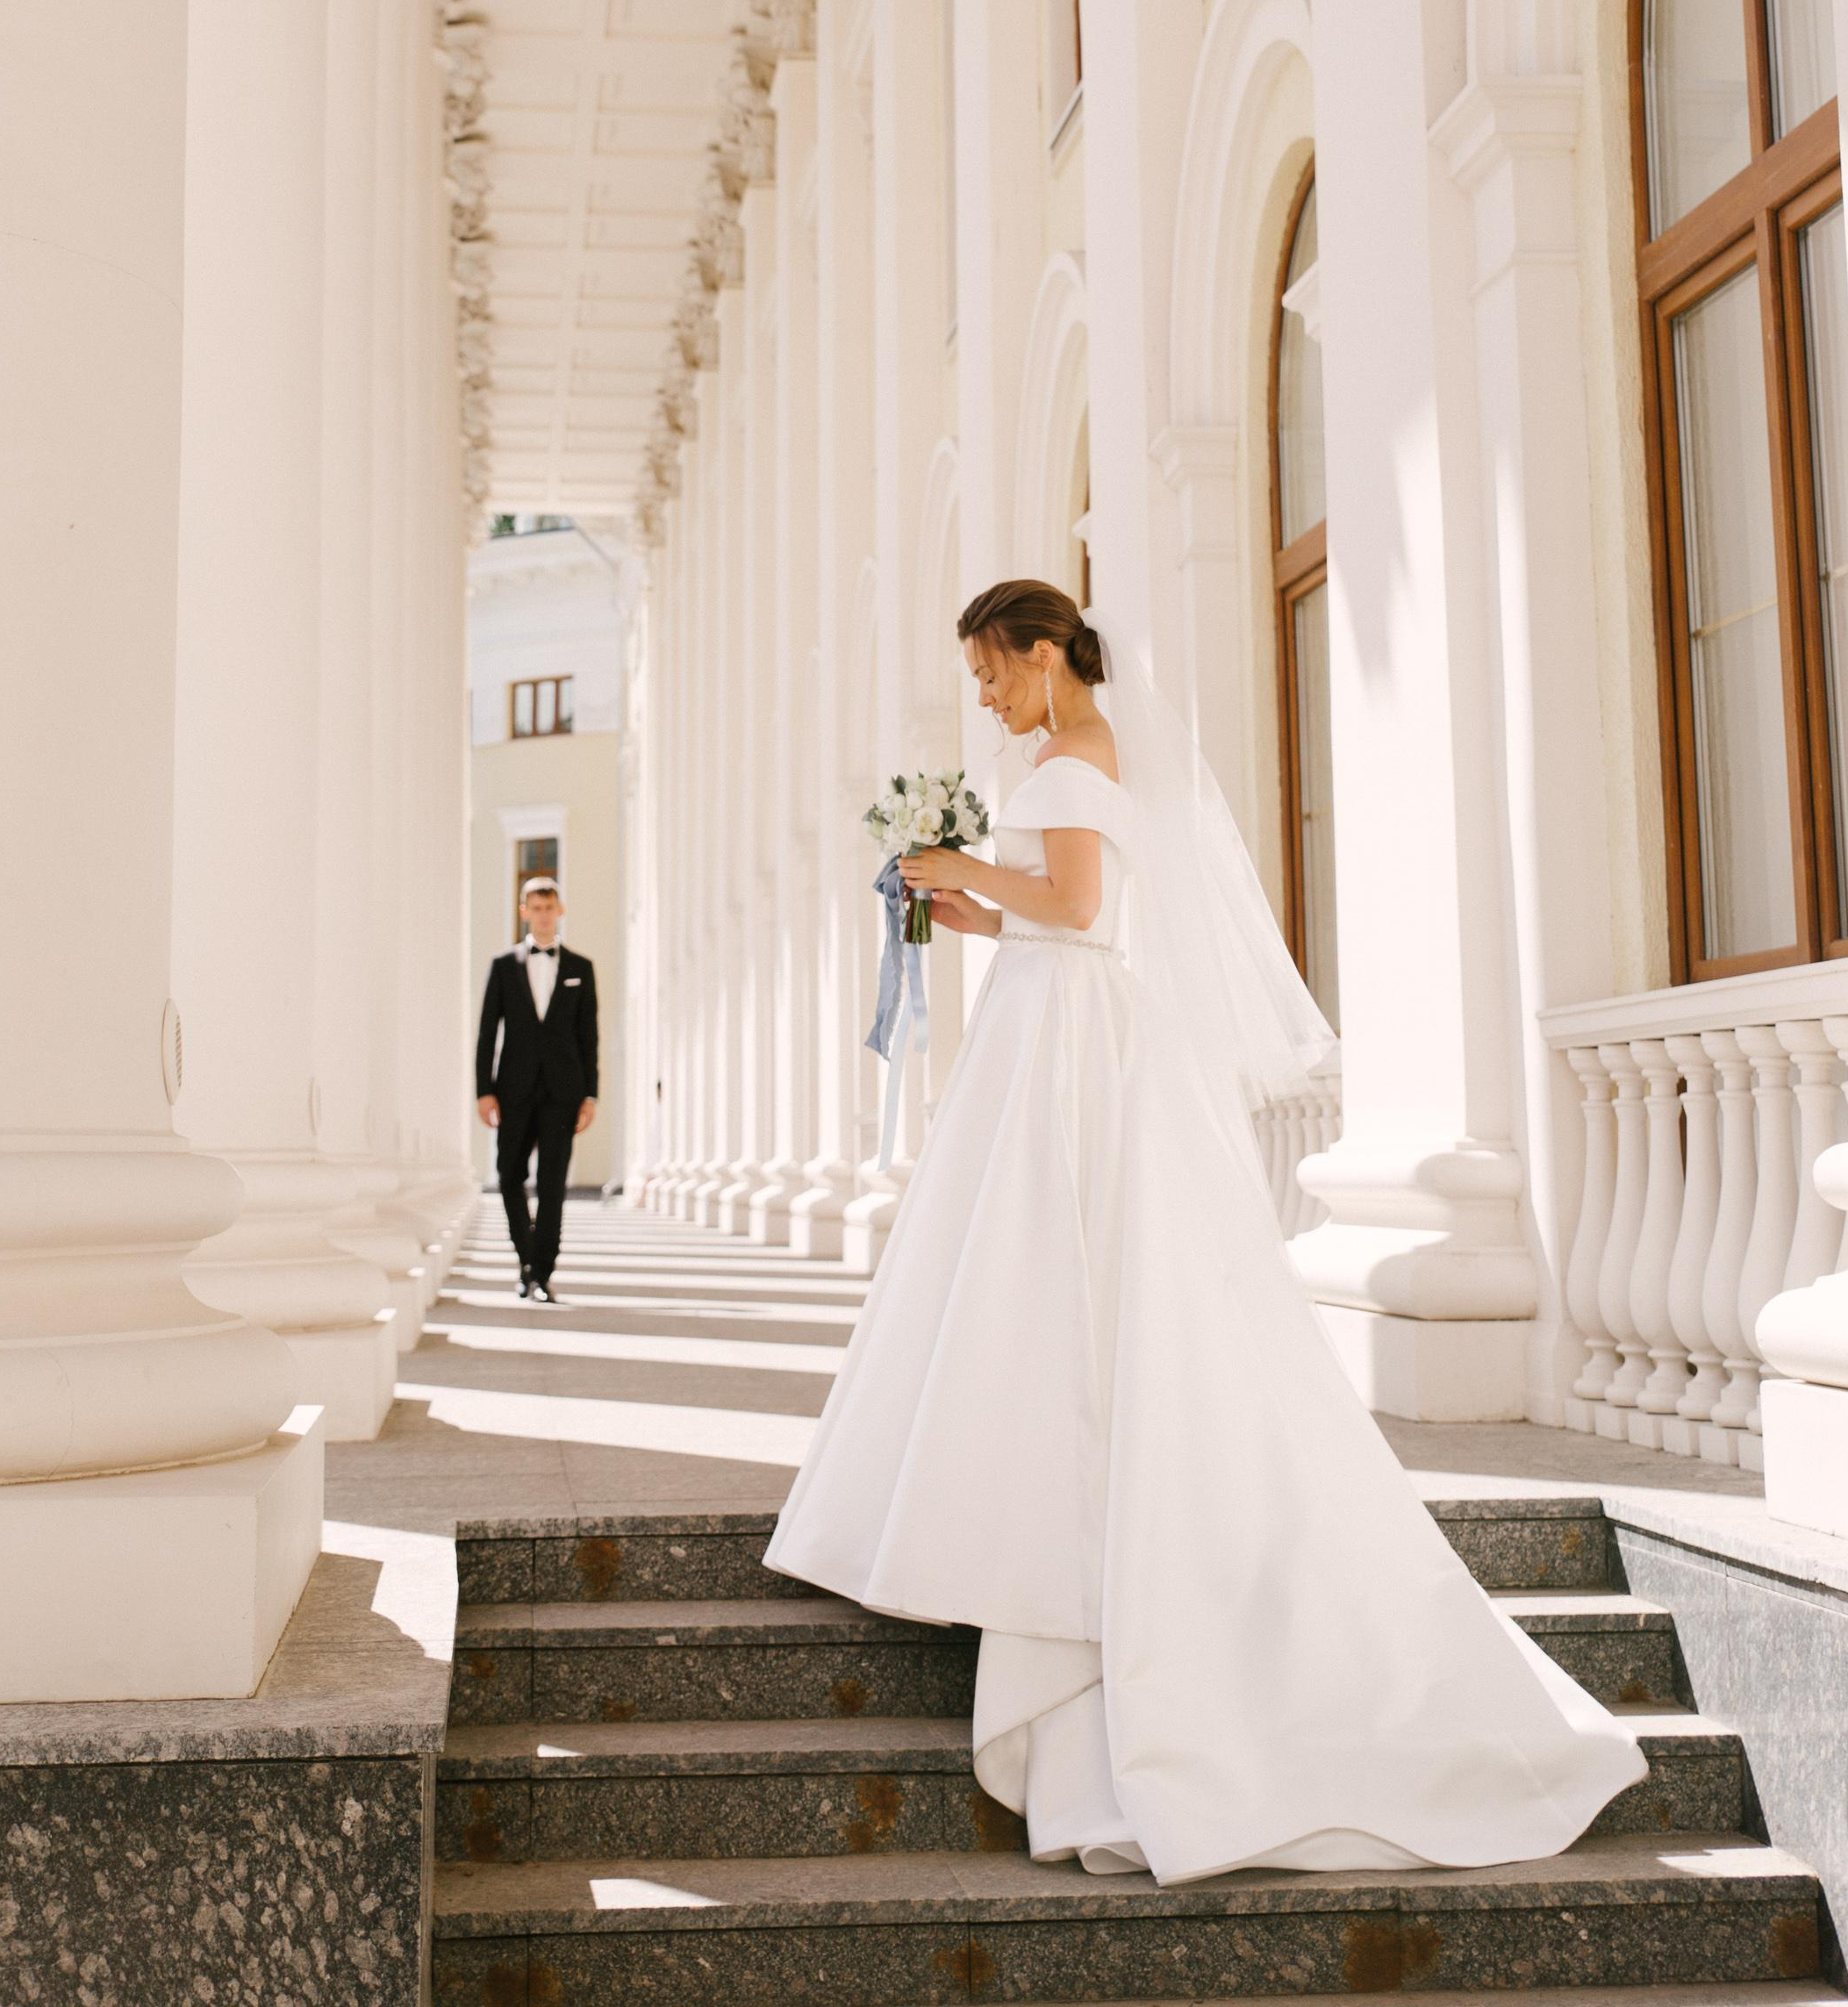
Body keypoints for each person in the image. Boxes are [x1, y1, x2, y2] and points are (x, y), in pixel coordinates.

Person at [765, 577, 1648, 1882]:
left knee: (1046, 1276)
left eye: (996, 674)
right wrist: (966, 905)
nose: (990, 699)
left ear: (1047, 654)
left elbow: (1073, 911)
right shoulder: (1075, 757)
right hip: (1050, 1018)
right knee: (1011, 1274)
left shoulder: (1075, 756)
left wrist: (964, 867)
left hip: (1065, 1033)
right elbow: (1066, 908)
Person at [476, 875, 598, 1301]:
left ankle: (542, 1272)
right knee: (509, 1175)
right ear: (524, 911)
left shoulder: (581, 968)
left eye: (550, 906)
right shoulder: (503, 966)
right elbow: (488, 1031)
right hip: (513, 1091)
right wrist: (484, 1090)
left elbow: (589, 1036)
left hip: (564, 1094)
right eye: (536, 907)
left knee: (552, 1184)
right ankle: (525, 1256)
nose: (544, 914)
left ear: (559, 910)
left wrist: (590, 1095)